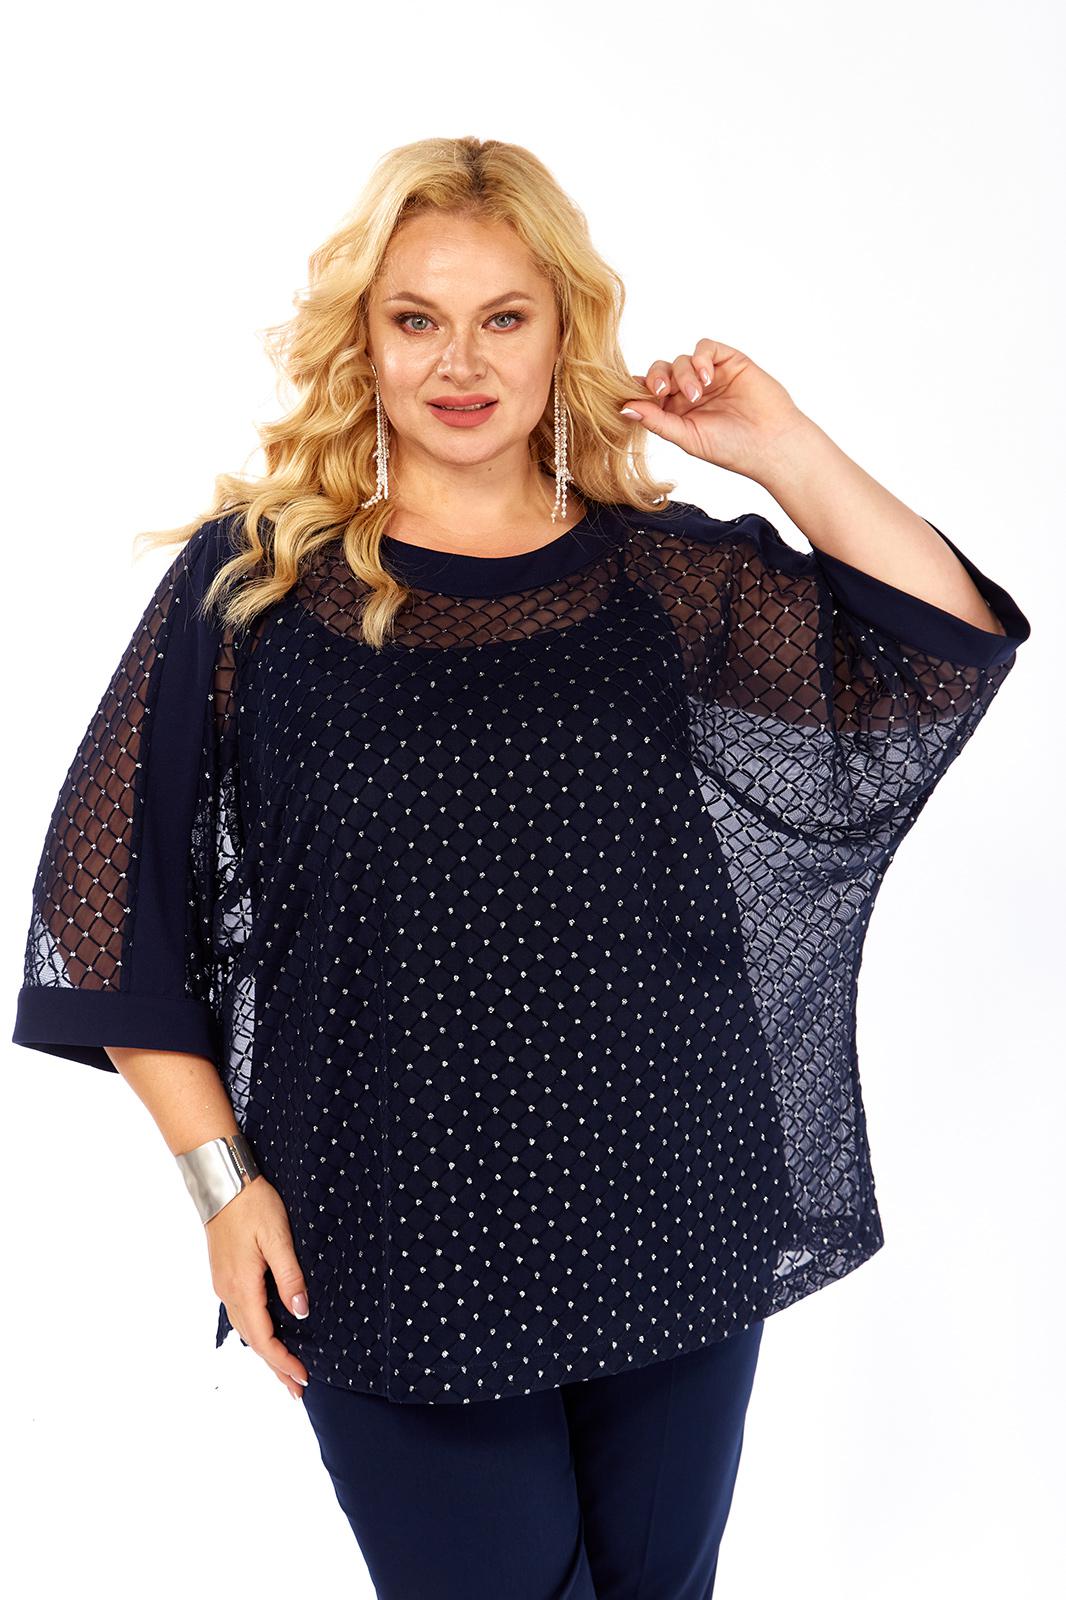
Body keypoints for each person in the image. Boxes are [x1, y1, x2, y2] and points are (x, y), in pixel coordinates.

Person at [11, 135, 1030, 1599]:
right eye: (415, 317)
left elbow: (942, 646)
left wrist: (783, 448)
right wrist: (222, 1188)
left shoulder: (655, 573)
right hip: (388, 1218)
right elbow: (109, 908)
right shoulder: (262, 584)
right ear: (362, 339)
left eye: (504, 317)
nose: (459, 362)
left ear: (564, 333)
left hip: (666, 1188)